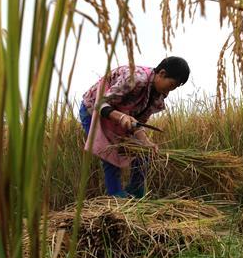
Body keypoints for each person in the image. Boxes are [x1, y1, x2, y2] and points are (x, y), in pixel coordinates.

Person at [79, 56, 189, 198]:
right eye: (172, 84)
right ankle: (117, 197)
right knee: (110, 151)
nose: (170, 91)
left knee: (144, 153)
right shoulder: (135, 79)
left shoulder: (157, 96)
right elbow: (100, 104)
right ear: (161, 73)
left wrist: (146, 143)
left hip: (117, 116)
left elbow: (137, 124)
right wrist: (122, 117)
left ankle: (136, 193)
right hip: (93, 110)